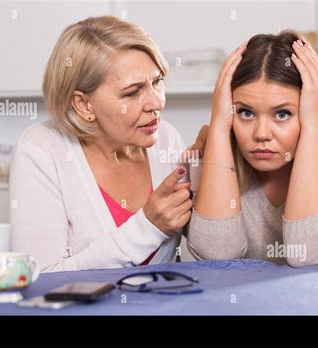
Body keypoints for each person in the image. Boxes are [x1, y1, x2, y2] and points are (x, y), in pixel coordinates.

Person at [186, 31, 318, 267]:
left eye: (282, 114)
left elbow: (311, 255)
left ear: (312, 108)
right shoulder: (211, 156)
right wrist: (219, 127)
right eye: (246, 112)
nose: (261, 134)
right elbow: (217, 257)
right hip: (249, 305)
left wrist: (315, 125)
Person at [11, 16, 192, 272]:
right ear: (84, 104)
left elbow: (208, 246)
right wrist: (148, 227)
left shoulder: (166, 138)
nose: (156, 103)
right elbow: (41, 278)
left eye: (157, 82)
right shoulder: (42, 149)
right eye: (132, 92)